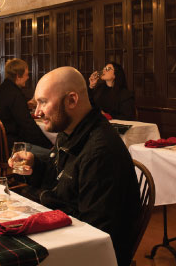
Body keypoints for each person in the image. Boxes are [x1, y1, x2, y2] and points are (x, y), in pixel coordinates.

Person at [9, 66, 141, 266]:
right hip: (67, 235)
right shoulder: (71, 130)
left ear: (72, 100)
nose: (37, 112)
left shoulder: (100, 152)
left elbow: (94, 235)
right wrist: (36, 164)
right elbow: (60, 177)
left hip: (85, 254)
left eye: (43, 102)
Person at [0, 58, 53, 150]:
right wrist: (48, 145)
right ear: (18, 76)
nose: (27, 78)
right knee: (49, 155)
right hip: (13, 146)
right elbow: (27, 126)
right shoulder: (15, 94)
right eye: (26, 75)